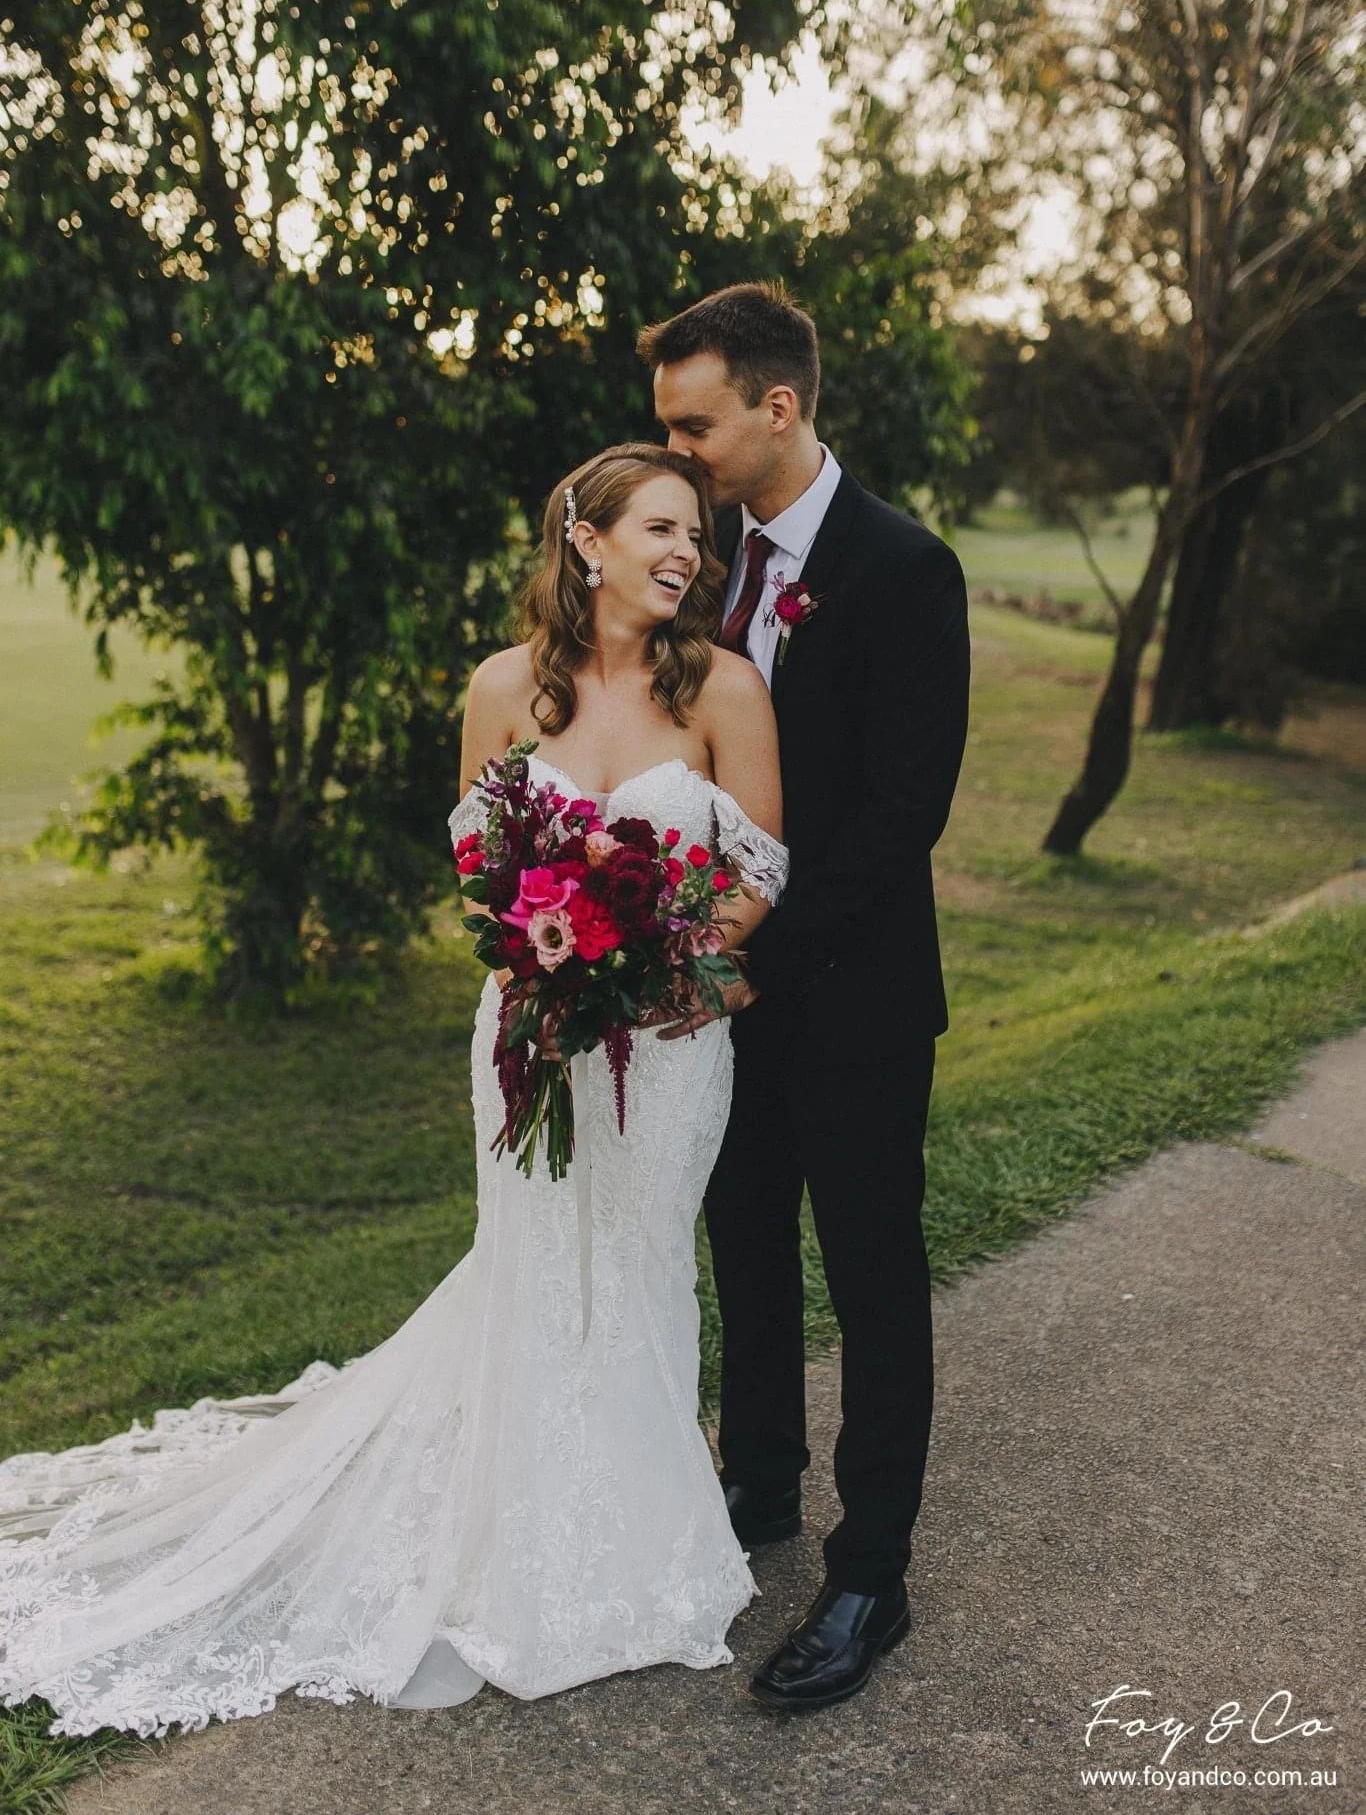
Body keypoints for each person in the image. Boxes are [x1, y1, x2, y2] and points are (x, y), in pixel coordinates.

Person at [0, 445, 789, 1736]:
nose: (685, 553)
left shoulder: (723, 688)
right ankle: (513, 1540)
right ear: (584, 542)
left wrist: (670, 956)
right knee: (535, 1264)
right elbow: (481, 868)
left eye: (695, 536)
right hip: (529, 1030)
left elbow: (757, 867)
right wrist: (548, 943)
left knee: (640, 1266)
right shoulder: (499, 690)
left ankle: (635, 1552)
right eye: (659, 528)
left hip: (670, 1036)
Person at [639, 282, 971, 1711]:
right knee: (746, 1252)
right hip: (726, 1001)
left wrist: (746, 954)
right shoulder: (695, 564)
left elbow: (902, 814)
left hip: (850, 1000)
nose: (676, 453)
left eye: (693, 424)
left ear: (777, 408)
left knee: (873, 1280)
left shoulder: (904, 568)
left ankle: (868, 1577)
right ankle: (755, 1490)